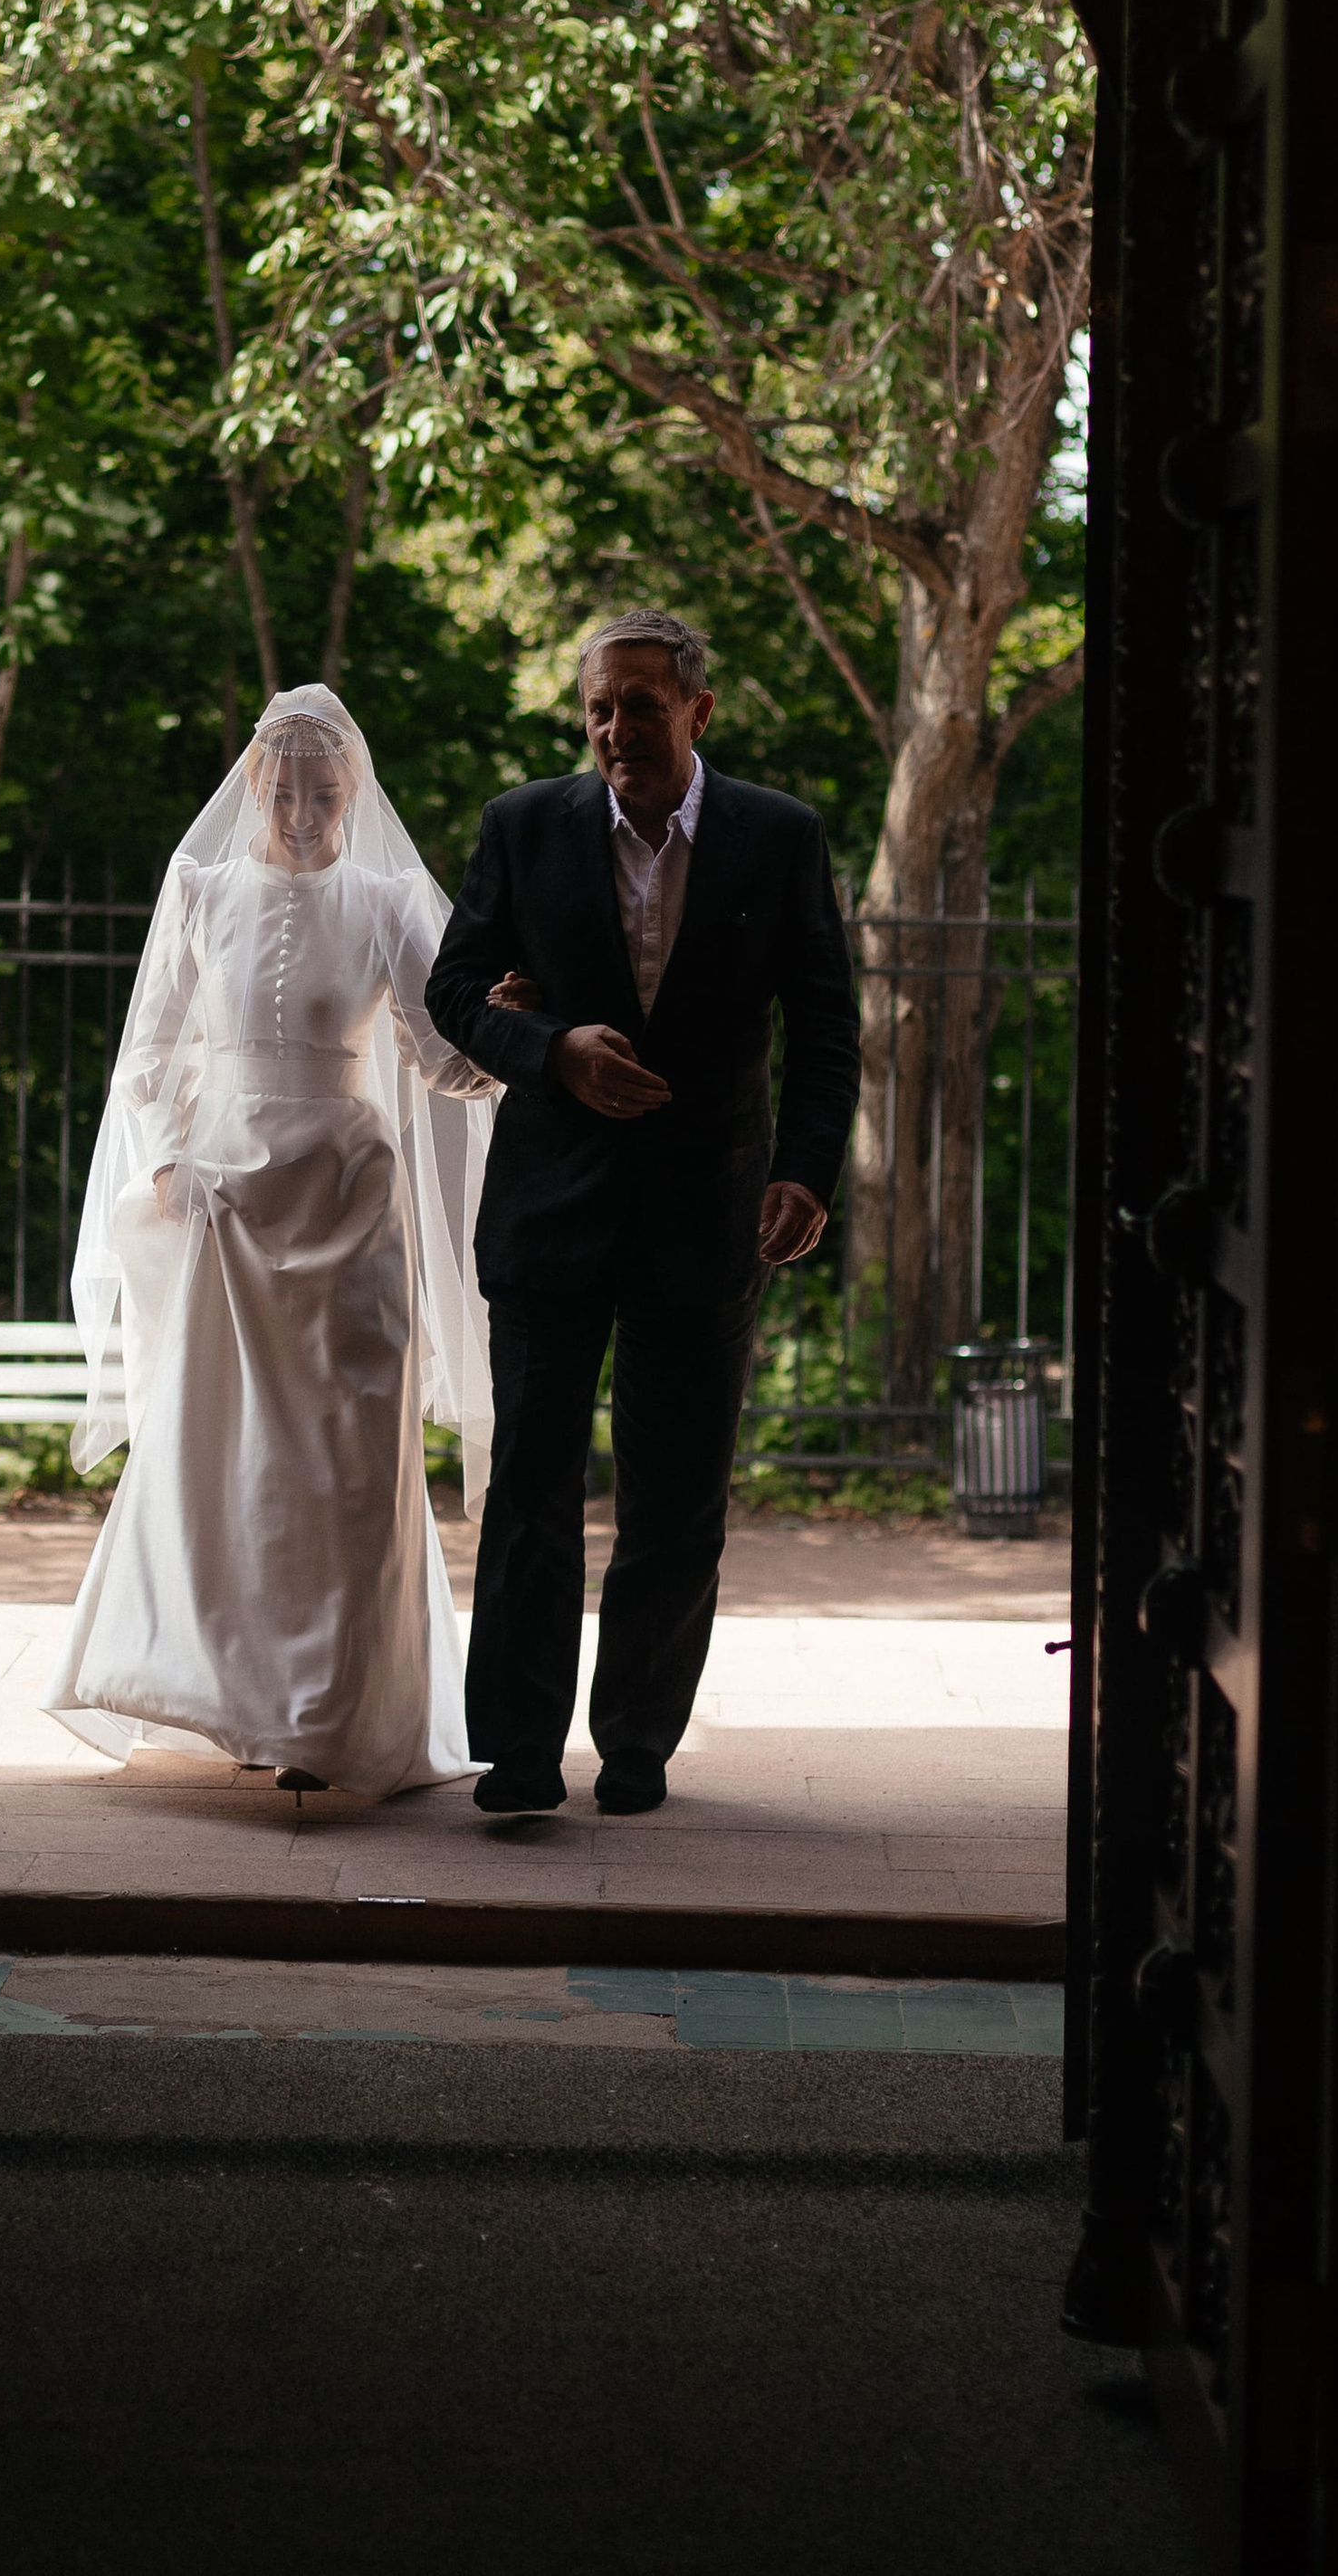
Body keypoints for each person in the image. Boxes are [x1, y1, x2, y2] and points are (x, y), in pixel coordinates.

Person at [425, 608, 861, 1818]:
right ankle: (516, 1754)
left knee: (676, 1499)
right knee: (530, 1489)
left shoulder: (779, 837)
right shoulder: (523, 827)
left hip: (707, 1213)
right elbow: (455, 988)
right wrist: (551, 1045)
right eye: (601, 708)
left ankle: (635, 1749)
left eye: (643, 706)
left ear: (699, 712)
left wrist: (806, 1173)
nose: (617, 729)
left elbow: (826, 1024)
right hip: (549, 1211)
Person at [44, 685, 501, 1797]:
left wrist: (513, 1048)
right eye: (285, 788)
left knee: (346, 1462)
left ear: (353, 794)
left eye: (326, 792)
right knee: (230, 1463)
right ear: (255, 784)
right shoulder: (199, 890)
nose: (303, 810)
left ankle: (331, 1715)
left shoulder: (390, 903)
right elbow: (148, 1051)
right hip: (229, 1210)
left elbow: (440, 1054)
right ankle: (236, 1699)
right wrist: (168, 1160)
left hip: (349, 1201)